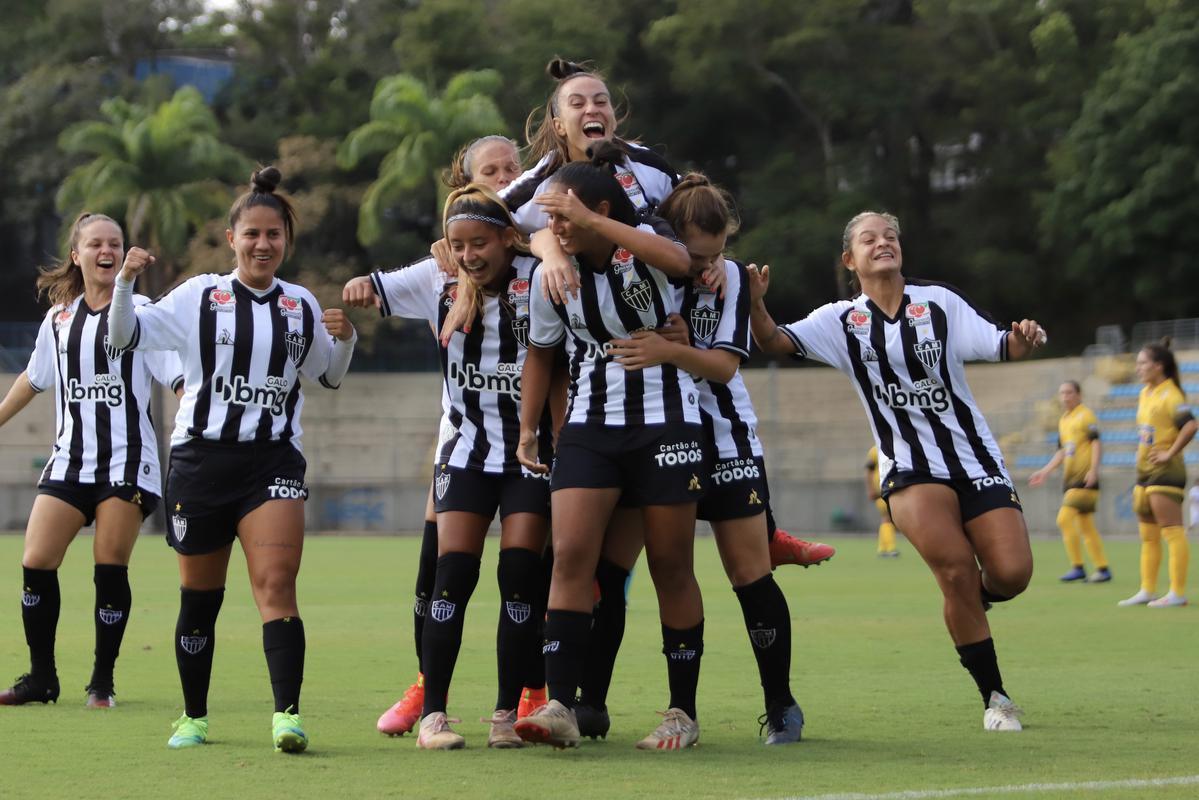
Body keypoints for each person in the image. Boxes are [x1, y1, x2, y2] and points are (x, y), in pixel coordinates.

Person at [747, 210, 1046, 732]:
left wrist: (1023, 339)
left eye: (890, 236)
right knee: (955, 569)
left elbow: (1002, 345)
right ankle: (996, 698)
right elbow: (773, 340)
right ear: (850, 259)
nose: (883, 243)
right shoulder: (840, 320)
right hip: (908, 467)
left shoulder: (940, 304)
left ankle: (971, 602)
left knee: (1013, 574)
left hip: (975, 459)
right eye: (869, 239)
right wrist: (755, 302)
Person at [107, 167, 357, 752]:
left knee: (277, 585)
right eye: (252, 234)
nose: (263, 244)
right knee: (201, 596)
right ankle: (194, 717)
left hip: (273, 462)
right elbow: (123, 336)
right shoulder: (199, 296)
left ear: (286, 241)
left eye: (274, 235)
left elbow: (328, 374)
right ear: (231, 239)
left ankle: (287, 716)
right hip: (201, 462)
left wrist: (346, 339)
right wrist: (124, 282)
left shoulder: (299, 304)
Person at [598, 173, 807, 744]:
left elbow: (723, 367)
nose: (704, 265)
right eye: (694, 255)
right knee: (617, 572)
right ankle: (596, 703)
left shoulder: (731, 277)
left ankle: (780, 704)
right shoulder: (634, 267)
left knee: (749, 574)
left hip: (724, 436)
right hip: (653, 437)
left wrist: (674, 349)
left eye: (714, 253)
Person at [513, 144, 707, 750]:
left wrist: (594, 221)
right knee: (570, 556)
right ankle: (561, 707)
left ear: (598, 211)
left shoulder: (643, 249)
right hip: (589, 428)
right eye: (550, 218)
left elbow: (680, 260)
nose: (554, 228)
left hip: (666, 422)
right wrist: (528, 429)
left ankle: (682, 713)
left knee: (671, 565)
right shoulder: (554, 274)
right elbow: (541, 353)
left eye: (563, 216)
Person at [345, 184, 552, 750]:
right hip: (464, 453)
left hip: (527, 457)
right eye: (457, 245)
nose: (467, 256)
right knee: (452, 577)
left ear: (506, 239)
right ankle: (433, 716)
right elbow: (372, 288)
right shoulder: (439, 282)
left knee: (519, 582)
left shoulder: (538, 280)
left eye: (479, 243)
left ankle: (505, 716)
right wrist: (361, 286)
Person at [0, 213, 182, 708]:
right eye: (96, 244)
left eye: (115, 244)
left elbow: (177, 378)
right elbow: (34, 379)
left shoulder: (141, 311)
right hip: (69, 460)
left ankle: (102, 682)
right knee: (36, 561)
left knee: (109, 565)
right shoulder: (60, 319)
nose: (107, 251)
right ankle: (42, 679)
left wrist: (193, 424)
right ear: (76, 255)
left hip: (128, 462)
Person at [1118, 341, 1194, 608]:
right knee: (1148, 536)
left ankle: (1177, 593)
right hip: (1144, 473)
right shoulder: (1145, 393)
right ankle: (1147, 590)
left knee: (1172, 531)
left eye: (1143, 363)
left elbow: (1190, 425)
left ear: (1158, 366)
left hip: (1165, 472)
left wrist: (1169, 453)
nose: (1138, 368)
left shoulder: (1171, 394)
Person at [1028, 381, 1110, 582]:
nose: (1065, 397)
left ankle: (1078, 567)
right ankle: (1102, 569)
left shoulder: (1086, 415)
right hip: (1071, 480)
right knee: (1086, 526)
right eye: (1062, 393)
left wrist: (1093, 470)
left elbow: (1096, 443)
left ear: (1079, 394)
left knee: (1063, 519)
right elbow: (1063, 452)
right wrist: (1045, 471)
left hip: (1084, 479)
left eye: (1069, 392)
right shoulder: (1064, 420)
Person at [866, 446, 900, 557]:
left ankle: (883, 547)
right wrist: (871, 489)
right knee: (888, 519)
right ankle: (890, 548)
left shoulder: (877, 449)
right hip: (884, 488)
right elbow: (869, 471)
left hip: (887, 486)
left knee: (886, 519)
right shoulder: (876, 450)